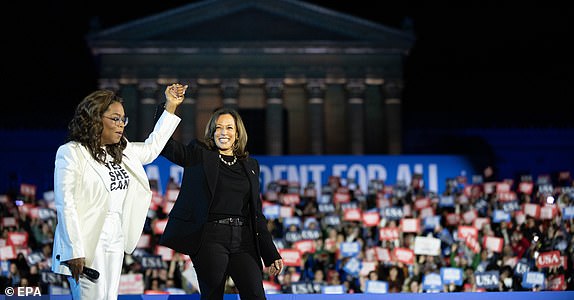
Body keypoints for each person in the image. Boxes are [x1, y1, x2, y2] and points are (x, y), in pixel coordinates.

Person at [51, 83, 187, 299]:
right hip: (88, 240)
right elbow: (66, 203)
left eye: (123, 119)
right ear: (95, 119)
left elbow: (153, 148)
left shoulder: (122, 152)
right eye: (115, 118)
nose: (121, 124)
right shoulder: (71, 153)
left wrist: (170, 106)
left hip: (116, 236)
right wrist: (74, 250)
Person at [158, 106, 283, 300]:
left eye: (229, 128)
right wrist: (170, 106)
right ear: (212, 132)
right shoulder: (199, 154)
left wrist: (271, 253)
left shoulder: (250, 165)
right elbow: (165, 146)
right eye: (218, 128)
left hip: (244, 239)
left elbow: (256, 214)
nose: (223, 132)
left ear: (238, 133)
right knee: (213, 296)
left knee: (256, 294)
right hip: (210, 237)